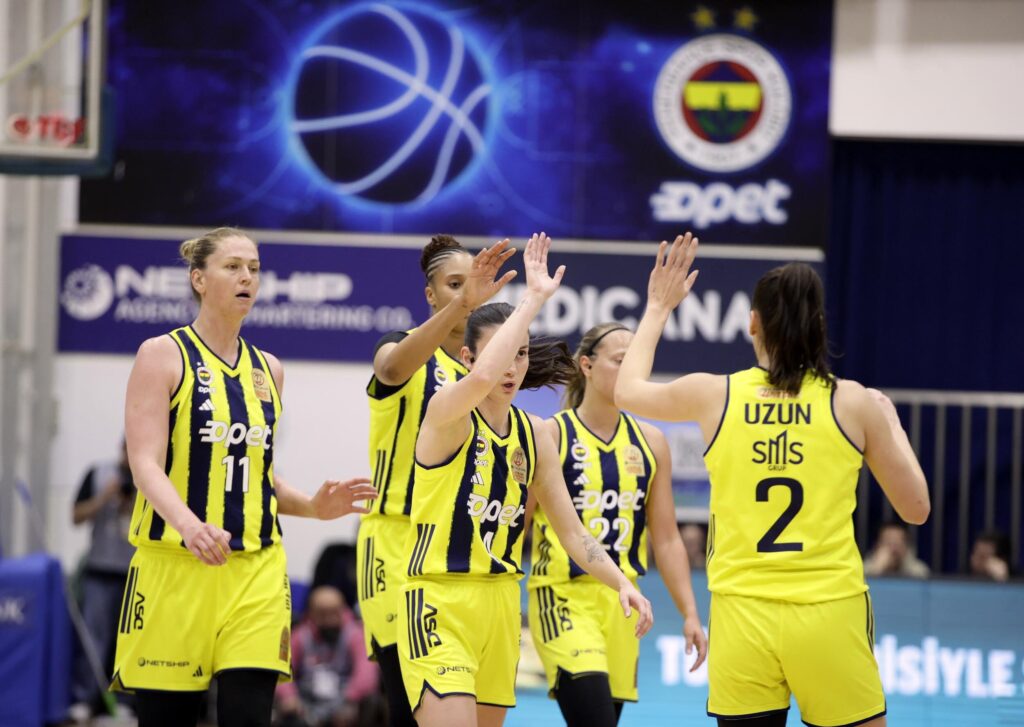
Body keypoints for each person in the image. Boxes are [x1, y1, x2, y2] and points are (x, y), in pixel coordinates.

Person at [615, 233, 930, 727]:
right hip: (828, 608)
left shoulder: (715, 394)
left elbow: (626, 391)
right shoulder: (851, 400)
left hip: (742, 612)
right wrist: (891, 424)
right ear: (819, 326)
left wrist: (658, 307)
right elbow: (916, 509)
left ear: (752, 324)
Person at [112, 227, 379, 727]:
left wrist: (313, 507)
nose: (247, 278)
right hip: (175, 567)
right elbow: (144, 462)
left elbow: (258, 476)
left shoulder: (269, 369)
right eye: (233, 266)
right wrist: (190, 526)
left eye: (254, 268)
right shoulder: (161, 354)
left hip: (256, 570)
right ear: (199, 279)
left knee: (249, 714)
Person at [398, 234, 653, 727]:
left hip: (499, 605)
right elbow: (480, 382)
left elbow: (573, 533)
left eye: (520, 354)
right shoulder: (446, 411)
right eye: (501, 354)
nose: (511, 367)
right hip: (438, 599)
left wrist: (622, 583)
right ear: (468, 358)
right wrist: (532, 299)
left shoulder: (536, 434)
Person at [359, 234, 516, 726]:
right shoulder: (402, 346)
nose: (467, 293)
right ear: (430, 294)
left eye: (474, 284)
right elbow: (391, 368)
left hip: (461, 552)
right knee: (406, 705)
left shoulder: (488, 370)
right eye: (454, 284)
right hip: (396, 539)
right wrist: (461, 306)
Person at [527, 323, 708, 726]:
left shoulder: (651, 441)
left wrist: (690, 613)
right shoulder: (552, 434)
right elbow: (517, 523)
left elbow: (667, 539)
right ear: (587, 365)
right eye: (620, 361)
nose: (630, 372)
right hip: (563, 595)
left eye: (635, 363)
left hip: (626, 604)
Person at [69, 439, 136, 721]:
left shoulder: (150, 479)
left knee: (130, 643)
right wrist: (105, 497)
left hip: (134, 574)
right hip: (99, 571)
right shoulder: (98, 474)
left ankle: (125, 701)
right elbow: (76, 516)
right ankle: (86, 699)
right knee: (94, 639)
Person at [275, 586, 380, 727]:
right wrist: (289, 696)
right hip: (306, 705)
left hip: (345, 702)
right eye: (323, 614)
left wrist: (351, 698)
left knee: (371, 701)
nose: (329, 620)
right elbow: (282, 670)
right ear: (311, 613)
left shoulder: (355, 635)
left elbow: (366, 675)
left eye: (334, 613)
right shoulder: (299, 636)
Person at [863, 520, 930, 578]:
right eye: (888, 543)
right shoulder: (865, 568)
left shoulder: (918, 570)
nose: (893, 549)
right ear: (877, 545)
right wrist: (877, 568)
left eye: (897, 543)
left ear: (906, 546)